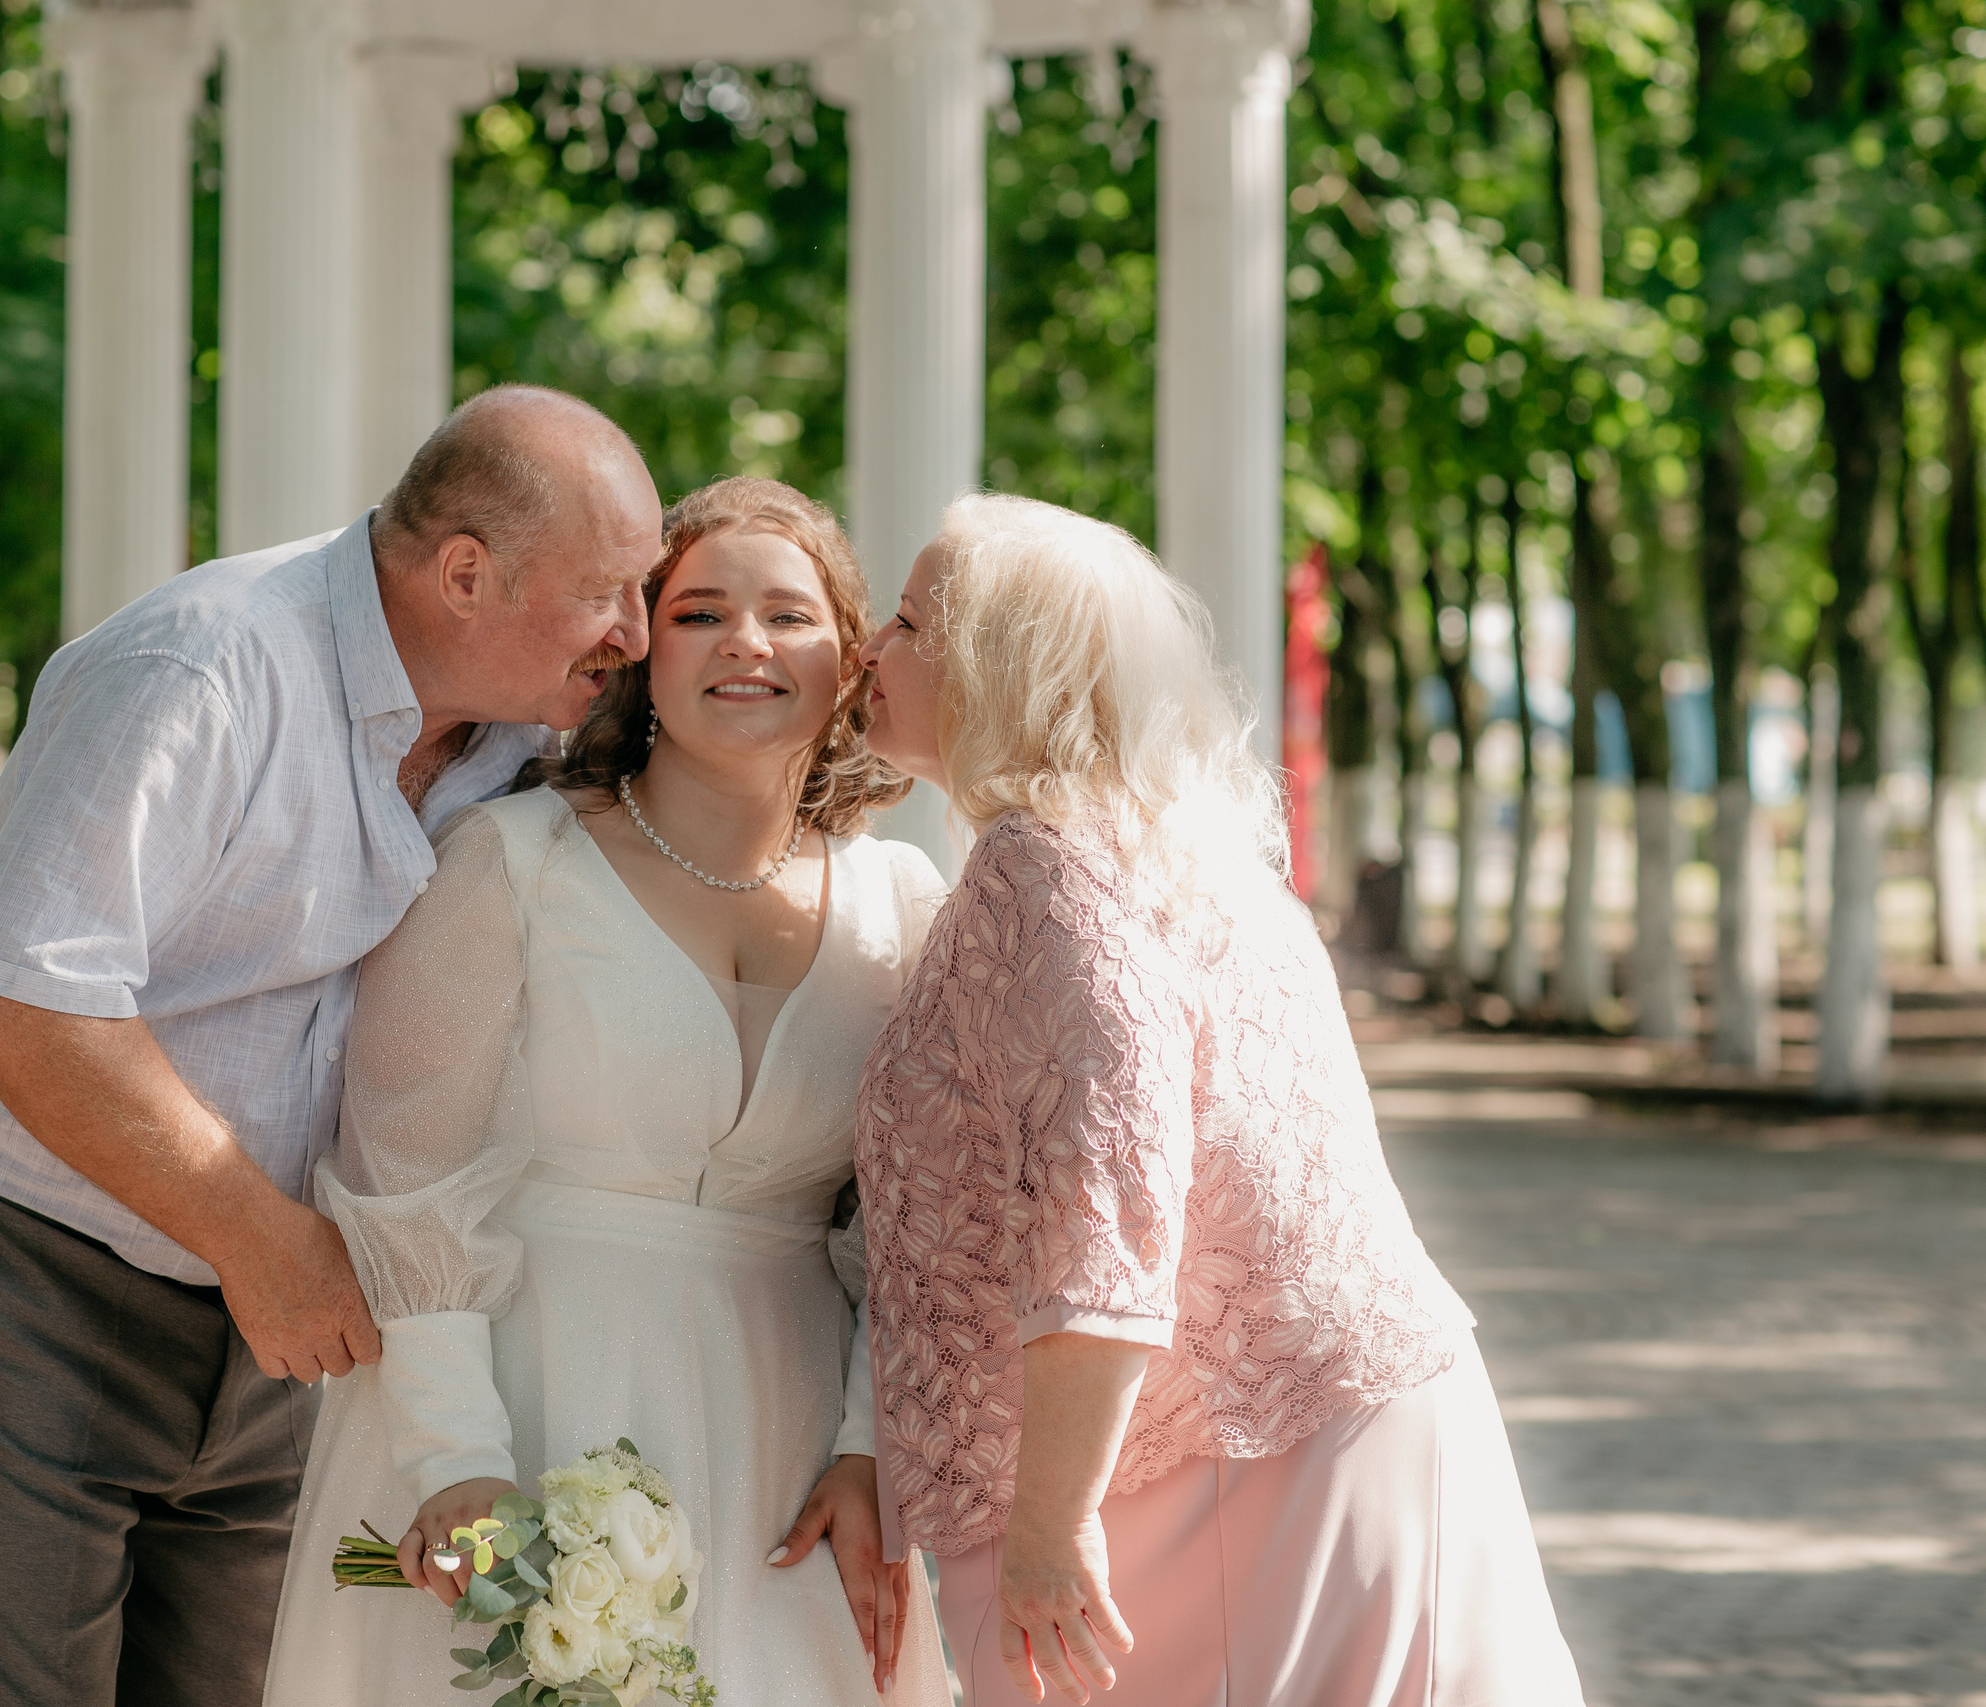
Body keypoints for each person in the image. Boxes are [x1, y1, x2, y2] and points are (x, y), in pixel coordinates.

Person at [0, 385, 661, 1707]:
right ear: (466, 572)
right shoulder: (200, 665)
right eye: (609, 592)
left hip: (279, 1316)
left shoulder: (530, 731)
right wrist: (256, 1237)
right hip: (22, 1262)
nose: (632, 632)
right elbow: (15, 997)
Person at [850, 493, 1585, 1707]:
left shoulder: (1046, 865)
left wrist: (1051, 1522)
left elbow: (1111, 1201)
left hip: (1209, 1480)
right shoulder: (1167, 845)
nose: (871, 648)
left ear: (1003, 666)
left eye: (911, 622)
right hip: (1310, 1432)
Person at [265, 478, 954, 1707]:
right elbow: (406, 1188)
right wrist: (456, 1467)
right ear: (638, 648)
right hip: (522, 1398)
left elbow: (917, 1234)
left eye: (788, 615)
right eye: (698, 613)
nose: (746, 643)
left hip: (787, 1443)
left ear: (849, 659)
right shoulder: (514, 865)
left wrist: (869, 1450)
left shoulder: (905, 911)